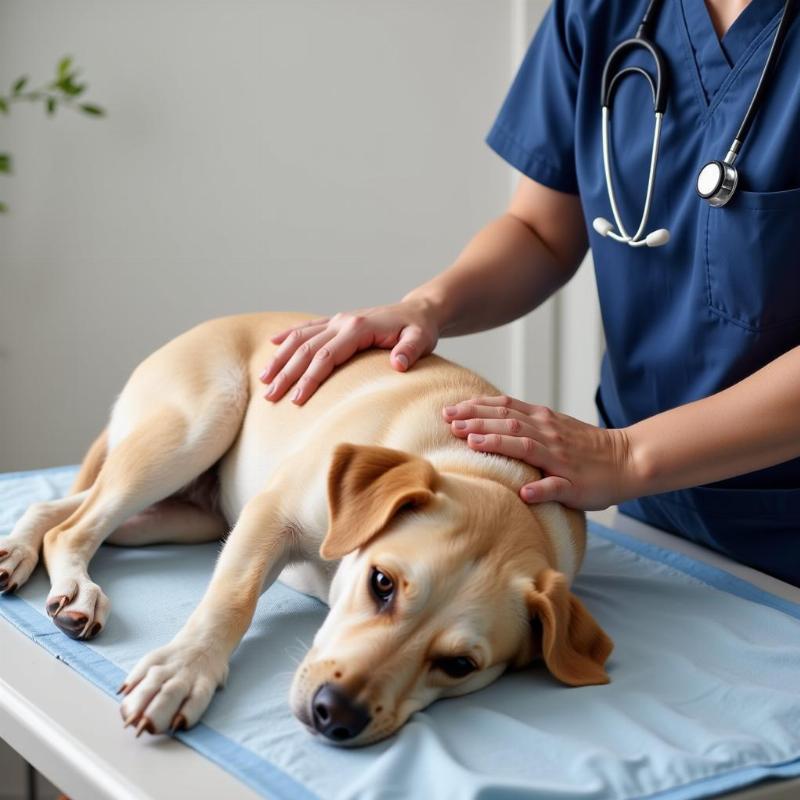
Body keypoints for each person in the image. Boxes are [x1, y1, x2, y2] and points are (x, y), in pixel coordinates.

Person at [259, 0, 800, 585]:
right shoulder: (600, 13)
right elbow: (540, 232)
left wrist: (626, 456)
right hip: (656, 513)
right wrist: (427, 306)